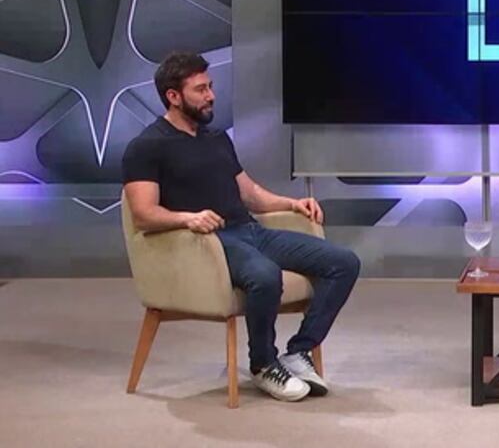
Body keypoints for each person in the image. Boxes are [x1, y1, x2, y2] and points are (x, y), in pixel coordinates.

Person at [122, 52, 361, 402]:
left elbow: (251, 194)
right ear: (173, 96)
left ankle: (298, 351)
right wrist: (188, 218)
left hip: (249, 231)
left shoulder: (217, 138)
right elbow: (143, 213)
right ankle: (263, 364)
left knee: (344, 262)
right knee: (264, 275)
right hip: (205, 243)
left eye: (210, 87)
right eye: (200, 89)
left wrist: (292, 203)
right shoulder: (146, 147)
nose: (211, 96)